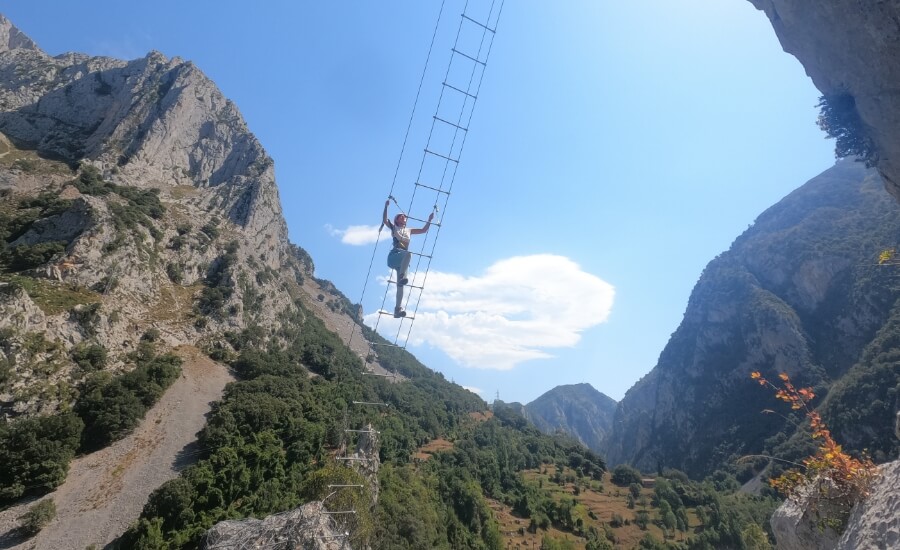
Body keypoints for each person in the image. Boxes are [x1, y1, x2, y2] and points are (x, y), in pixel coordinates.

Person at [383, 199, 433, 317]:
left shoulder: (408, 230)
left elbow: (423, 230)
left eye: (404, 217)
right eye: (401, 216)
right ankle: (401, 276)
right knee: (408, 254)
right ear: (397, 220)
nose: (403, 217)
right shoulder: (394, 228)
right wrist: (386, 207)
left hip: (403, 261)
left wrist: (429, 220)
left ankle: (397, 309)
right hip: (395, 255)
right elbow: (385, 220)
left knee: (400, 286)